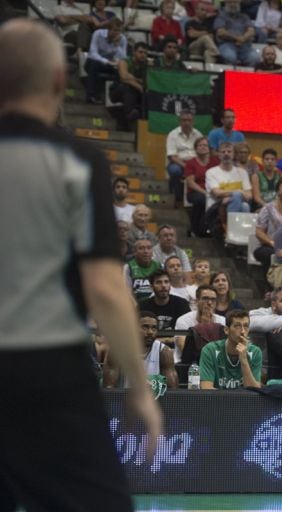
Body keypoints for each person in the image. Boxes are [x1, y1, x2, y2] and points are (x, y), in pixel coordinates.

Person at [0, 19, 160, 510]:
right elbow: (106, 288)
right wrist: (137, 384)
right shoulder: (78, 161)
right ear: (57, 81)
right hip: (48, 373)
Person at [103, 311, 179, 389]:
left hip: (153, 399)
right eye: (145, 327)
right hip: (123, 399)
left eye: (154, 328)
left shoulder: (164, 352)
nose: (150, 332)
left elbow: (172, 389)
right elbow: (109, 388)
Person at [200, 310, 262, 389]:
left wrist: (243, 360)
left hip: (244, 401)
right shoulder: (210, 350)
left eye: (246, 326)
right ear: (226, 330)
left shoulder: (255, 352)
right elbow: (206, 389)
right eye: (237, 326)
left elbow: (255, 392)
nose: (243, 331)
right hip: (217, 401)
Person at [204, 141, 252, 230]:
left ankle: (234, 231)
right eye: (223, 152)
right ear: (219, 155)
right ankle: (233, 229)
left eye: (229, 151)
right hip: (216, 207)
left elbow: (249, 195)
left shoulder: (242, 172)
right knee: (237, 196)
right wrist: (238, 193)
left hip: (235, 205)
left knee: (245, 206)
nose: (226, 154)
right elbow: (217, 193)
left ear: (234, 155)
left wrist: (231, 197)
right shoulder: (211, 172)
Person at [174, 285, 226, 363]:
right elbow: (185, 350)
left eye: (213, 299)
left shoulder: (222, 321)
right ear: (196, 301)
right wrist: (204, 326)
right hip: (188, 364)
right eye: (205, 298)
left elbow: (225, 350)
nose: (209, 303)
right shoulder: (183, 320)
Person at [213, 0, 259, 67]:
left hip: (244, 46)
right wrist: (237, 38)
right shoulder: (221, 17)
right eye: (230, 2)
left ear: (239, 3)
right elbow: (221, 32)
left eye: (235, 2)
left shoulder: (244, 17)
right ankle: (231, 76)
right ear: (225, 3)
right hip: (227, 44)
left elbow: (251, 31)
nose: (233, 4)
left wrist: (243, 39)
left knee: (255, 58)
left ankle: (246, 77)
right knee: (230, 57)